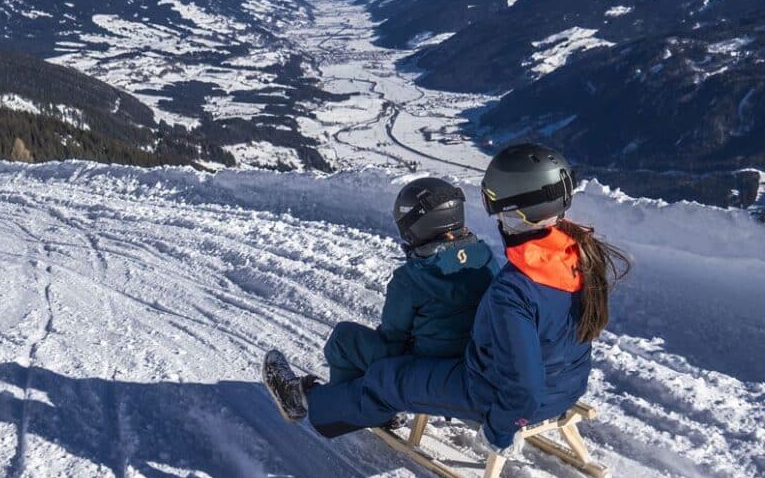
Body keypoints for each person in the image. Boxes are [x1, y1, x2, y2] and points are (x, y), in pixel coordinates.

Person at [266, 144, 629, 456]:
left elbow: (525, 387)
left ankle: (310, 404)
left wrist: (503, 430)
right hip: (567, 386)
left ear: (512, 214)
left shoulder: (514, 292)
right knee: (399, 372)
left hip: (493, 393)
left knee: (386, 378)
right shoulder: (577, 254)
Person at [322, 176, 499, 386]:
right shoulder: (486, 256)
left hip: (428, 373)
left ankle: (349, 410)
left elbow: (393, 337)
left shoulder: (409, 278)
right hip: (479, 362)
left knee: (344, 338)